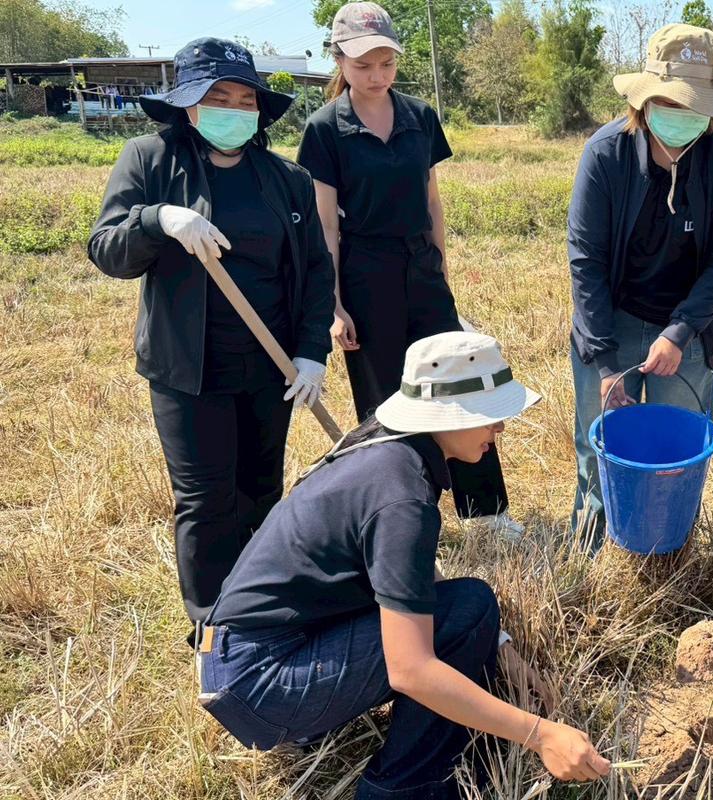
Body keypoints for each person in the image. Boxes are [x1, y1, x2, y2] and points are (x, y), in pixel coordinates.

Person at [198, 332, 611, 799]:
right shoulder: (401, 497)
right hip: (262, 682)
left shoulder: (386, 450)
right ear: (450, 414)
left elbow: (408, 578)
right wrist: (542, 735)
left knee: (469, 614)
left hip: (239, 661)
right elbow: (410, 670)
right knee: (467, 609)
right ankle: (404, 786)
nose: (500, 429)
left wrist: (504, 653)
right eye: (492, 415)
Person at [88, 38, 334, 631]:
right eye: (216, 96)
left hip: (272, 367)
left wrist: (310, 353)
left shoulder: (285, 179)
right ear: (189, 106)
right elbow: (107, 250)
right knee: (205, 503)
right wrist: (159, 219)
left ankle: (262, 612)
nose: (233, 109)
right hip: (188, 370)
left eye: (244, 98)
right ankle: (212, 626)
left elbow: (316, 270)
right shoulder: (150, 161)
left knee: (261, 493)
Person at [296, 2, 521, 541]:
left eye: (386, 64)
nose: (376, 76)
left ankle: (485, 511)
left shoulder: (420, 116)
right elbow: (325, 224)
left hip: (421, 265)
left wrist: (441, 270)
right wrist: (334, 304)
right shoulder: (325, 129)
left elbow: (432, 199)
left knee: (459, 383)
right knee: (386, 398)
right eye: (363, 65)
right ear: (339, 62)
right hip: (364, 271)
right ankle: (402, 516)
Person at [568, 23, 713, 546]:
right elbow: (586, 262)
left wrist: (680, 331)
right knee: (598, 444)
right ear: (644, 101)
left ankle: (670, 549)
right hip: (612, 318)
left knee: (675, 453)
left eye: (694, 106)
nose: (680, 116)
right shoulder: (606, 155)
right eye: (670, 103)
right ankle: (592, 548)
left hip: (688, 327)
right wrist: (605, 363)